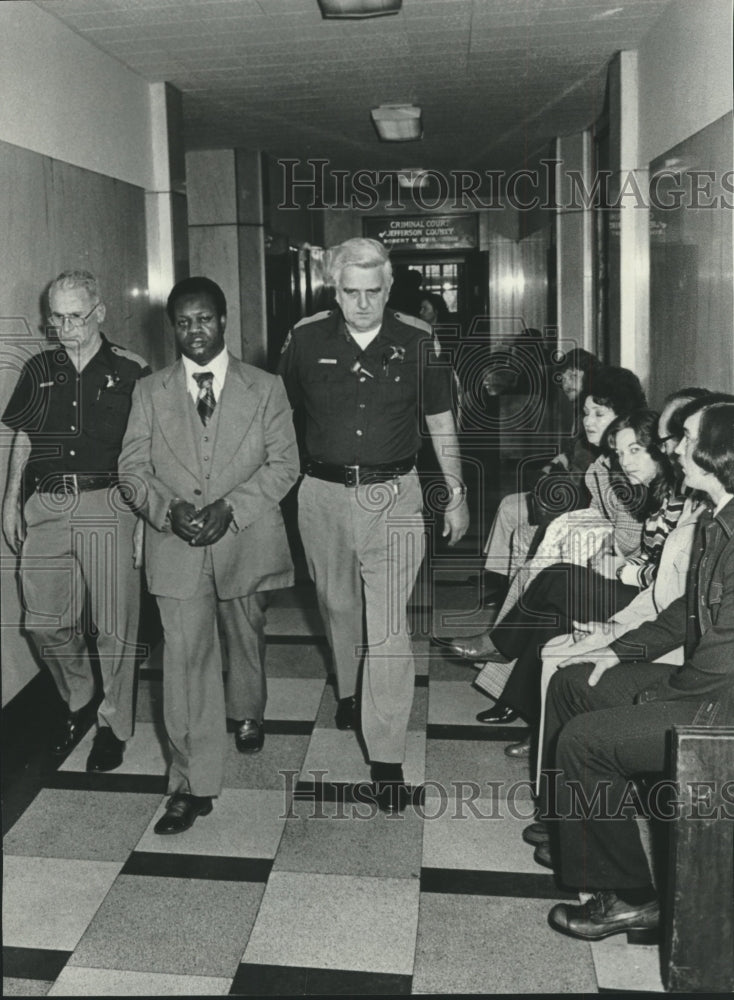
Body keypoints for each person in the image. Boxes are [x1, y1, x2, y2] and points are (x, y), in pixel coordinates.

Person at [278, 237, 469, 812]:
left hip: (397, 495)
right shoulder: (306, 339)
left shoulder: (417, 340)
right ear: (334, 290)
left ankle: (386, 757)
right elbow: (280, 417)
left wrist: (455, 494)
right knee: (337, 606)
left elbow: (440, 422)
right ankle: (348, 689)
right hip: (321, 494)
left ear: (389, 288)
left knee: (388, 627)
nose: (361, 304)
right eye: (349, 292)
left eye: (373, 292)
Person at [536, 399, 734, 942]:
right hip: (705, 684)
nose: (673, 448)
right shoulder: (716, 517)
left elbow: (724, 657)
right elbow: (682, 613)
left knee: (587, 740)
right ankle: (574, 831)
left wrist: (654, 697)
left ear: (719, 451)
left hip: (719, 705)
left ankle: (630, 899)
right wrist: (618, 650)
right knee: (575, 681)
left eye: (687, 438)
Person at [119, 276, 299, 834]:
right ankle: (190, 786)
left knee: (244, 633)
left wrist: (233, 508)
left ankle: (246, 711)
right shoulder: (149, 392)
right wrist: (165, 507)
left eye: (204, 319)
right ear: (171, 327)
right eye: (183, 321)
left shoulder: (265, 387)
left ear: (224, 321)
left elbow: (285, 465)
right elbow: (131, 470)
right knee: (185, 664)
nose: (194, 331)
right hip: (175, 548)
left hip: (242, 541)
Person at [1, 269, 149, 771]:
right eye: (57, 319)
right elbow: (23, 437)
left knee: (115, 626)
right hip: (46, 505)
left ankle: (114, 725)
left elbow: (149, 451)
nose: (66, 328)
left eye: (75, 317)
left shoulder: (132, 370)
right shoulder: (39, 368)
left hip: (108, 503)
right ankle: (79, 696)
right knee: (43, 621)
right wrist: (9, 501)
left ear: (100, 312)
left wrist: (146, 519)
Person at [479, 347, 601, 609]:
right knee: (508, 504)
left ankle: (505, 585)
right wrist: (557, 463)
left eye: (574, 375)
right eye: (564, 376)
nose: (566, 381)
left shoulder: (592, 414)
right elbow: (572, 452)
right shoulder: (579, 411)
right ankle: (500, 580)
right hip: (565, 490)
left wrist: (559, 473)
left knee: (511, 509)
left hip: (575, 501)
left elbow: (586, 468)